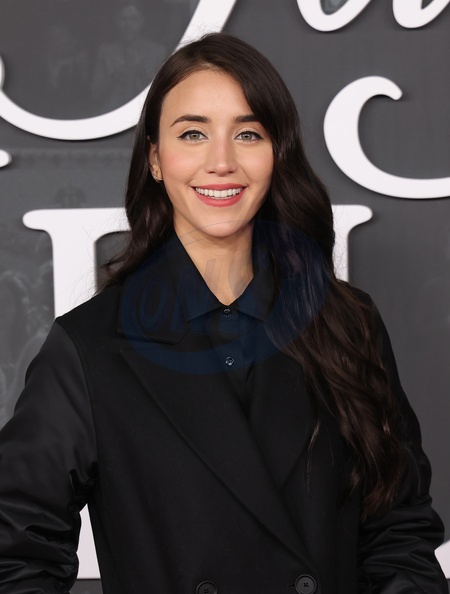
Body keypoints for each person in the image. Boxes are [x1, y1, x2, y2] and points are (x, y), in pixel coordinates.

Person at [0, 33, 447, 594]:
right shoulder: (89, 347)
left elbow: (399, 534)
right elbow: (15, 556)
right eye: (193, 133)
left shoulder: (347, 323)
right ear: (155, 159)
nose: (221, 162)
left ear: (277, 153)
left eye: (248, 133)